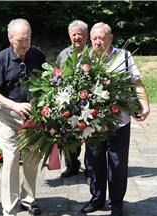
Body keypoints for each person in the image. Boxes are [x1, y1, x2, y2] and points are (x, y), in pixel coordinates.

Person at [81, 22, 150, 216]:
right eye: (94, 38)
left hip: (119, 121)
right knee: (94, 162)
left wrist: (145, 105)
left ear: (110, 38)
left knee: (117, 163)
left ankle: (117, 203)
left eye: (101, 38)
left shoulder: (124, 57)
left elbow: (136, 83)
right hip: (93, 123)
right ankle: (97, 198)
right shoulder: (85, 59)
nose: (97, 42)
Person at [0, 18, 46, 216]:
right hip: (9, 117)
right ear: (10, 39)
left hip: (34, 118)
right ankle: (9, 211)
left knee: (31, 160)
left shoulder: (38, 55)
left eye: (28, 38)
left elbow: (50, 82)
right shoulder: (0, 59)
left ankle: (29, 200)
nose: (25, 43)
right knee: (11, 160)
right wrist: (14, 105)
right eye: (21, 40)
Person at [56, 20, 88, 178]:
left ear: (86, 36)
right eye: (74, 34)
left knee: (91, 133)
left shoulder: (93, 53)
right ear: (70, 36)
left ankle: (91, 165)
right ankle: (71, 164)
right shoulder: (64, 54)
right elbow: (57, 75)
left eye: (80, 34)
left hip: (89, 100)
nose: (77, 37)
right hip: (69, 101)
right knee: (68, 135)